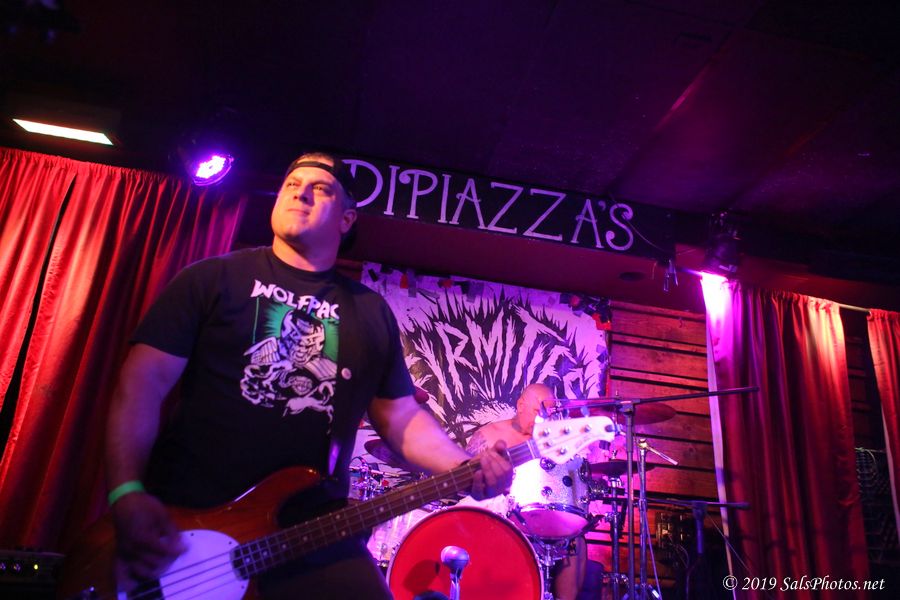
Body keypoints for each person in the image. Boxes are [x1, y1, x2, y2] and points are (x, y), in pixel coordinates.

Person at [105, 151, 513, 598]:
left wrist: (463, 466)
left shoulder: (369, 311)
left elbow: (400, 418)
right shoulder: (212, 278)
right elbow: (141, 386)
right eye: (292, 185)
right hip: (192, 521)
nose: (300, 193)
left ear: (346, 219)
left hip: (311, 531)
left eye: (320, 189)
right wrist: (126, 490)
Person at [466, 383, 588, 600]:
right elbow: (467, 481)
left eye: (548, 414)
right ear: (520, 405)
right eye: (537, 411)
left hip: (543, 515)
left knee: (576, 535)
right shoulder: (489, 435)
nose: (543, 419)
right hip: (501, 516)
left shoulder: (554, 441)